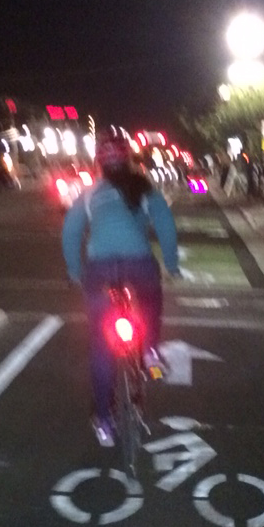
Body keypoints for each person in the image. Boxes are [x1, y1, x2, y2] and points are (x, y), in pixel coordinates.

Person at [62, 128, 181, 447]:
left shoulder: (89, 195)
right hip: (138, 264)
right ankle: (152, 351)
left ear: (99, 164)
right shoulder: (143, 189)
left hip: (99, 270)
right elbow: (166, 225)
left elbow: (70, 233)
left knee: (101, 346)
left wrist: (75, 271)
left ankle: (103, 422)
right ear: (128, 159)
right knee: (152, 298)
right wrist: (171, 265)